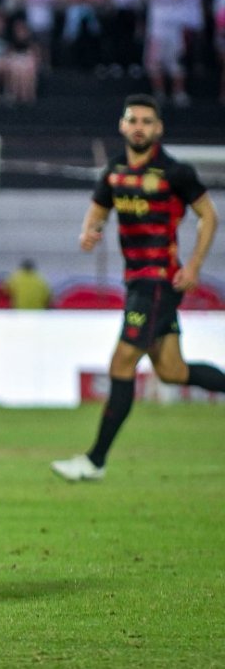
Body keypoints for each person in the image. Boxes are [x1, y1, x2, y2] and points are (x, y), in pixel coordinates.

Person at [51, 94, 223, 482]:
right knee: (172, 371)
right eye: (134, 120)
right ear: (123, 126)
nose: (140, 127)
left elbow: (208, 216)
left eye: (148, 121)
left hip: (159, 281)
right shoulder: (114, 170)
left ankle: (94, 461)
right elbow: (99, 206)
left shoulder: (174, 172)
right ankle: (94, 461)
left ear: (158, 128)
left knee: (121, 363)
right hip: (137, 282)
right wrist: (89, 230)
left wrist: (194, 265)